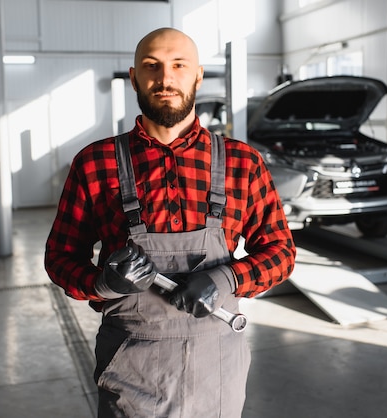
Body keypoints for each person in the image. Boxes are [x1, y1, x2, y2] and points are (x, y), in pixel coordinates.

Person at [44, 27, 296, 418]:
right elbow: (59, 257)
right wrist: (101, 283)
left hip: (218, 372)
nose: (165, 78)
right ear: (134, 78)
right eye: (152, 66)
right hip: (131, 370)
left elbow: (281, 253)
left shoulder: (242, 163)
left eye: (179, 65)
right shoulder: (95, 163)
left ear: (197, 76)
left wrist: (224, 280)